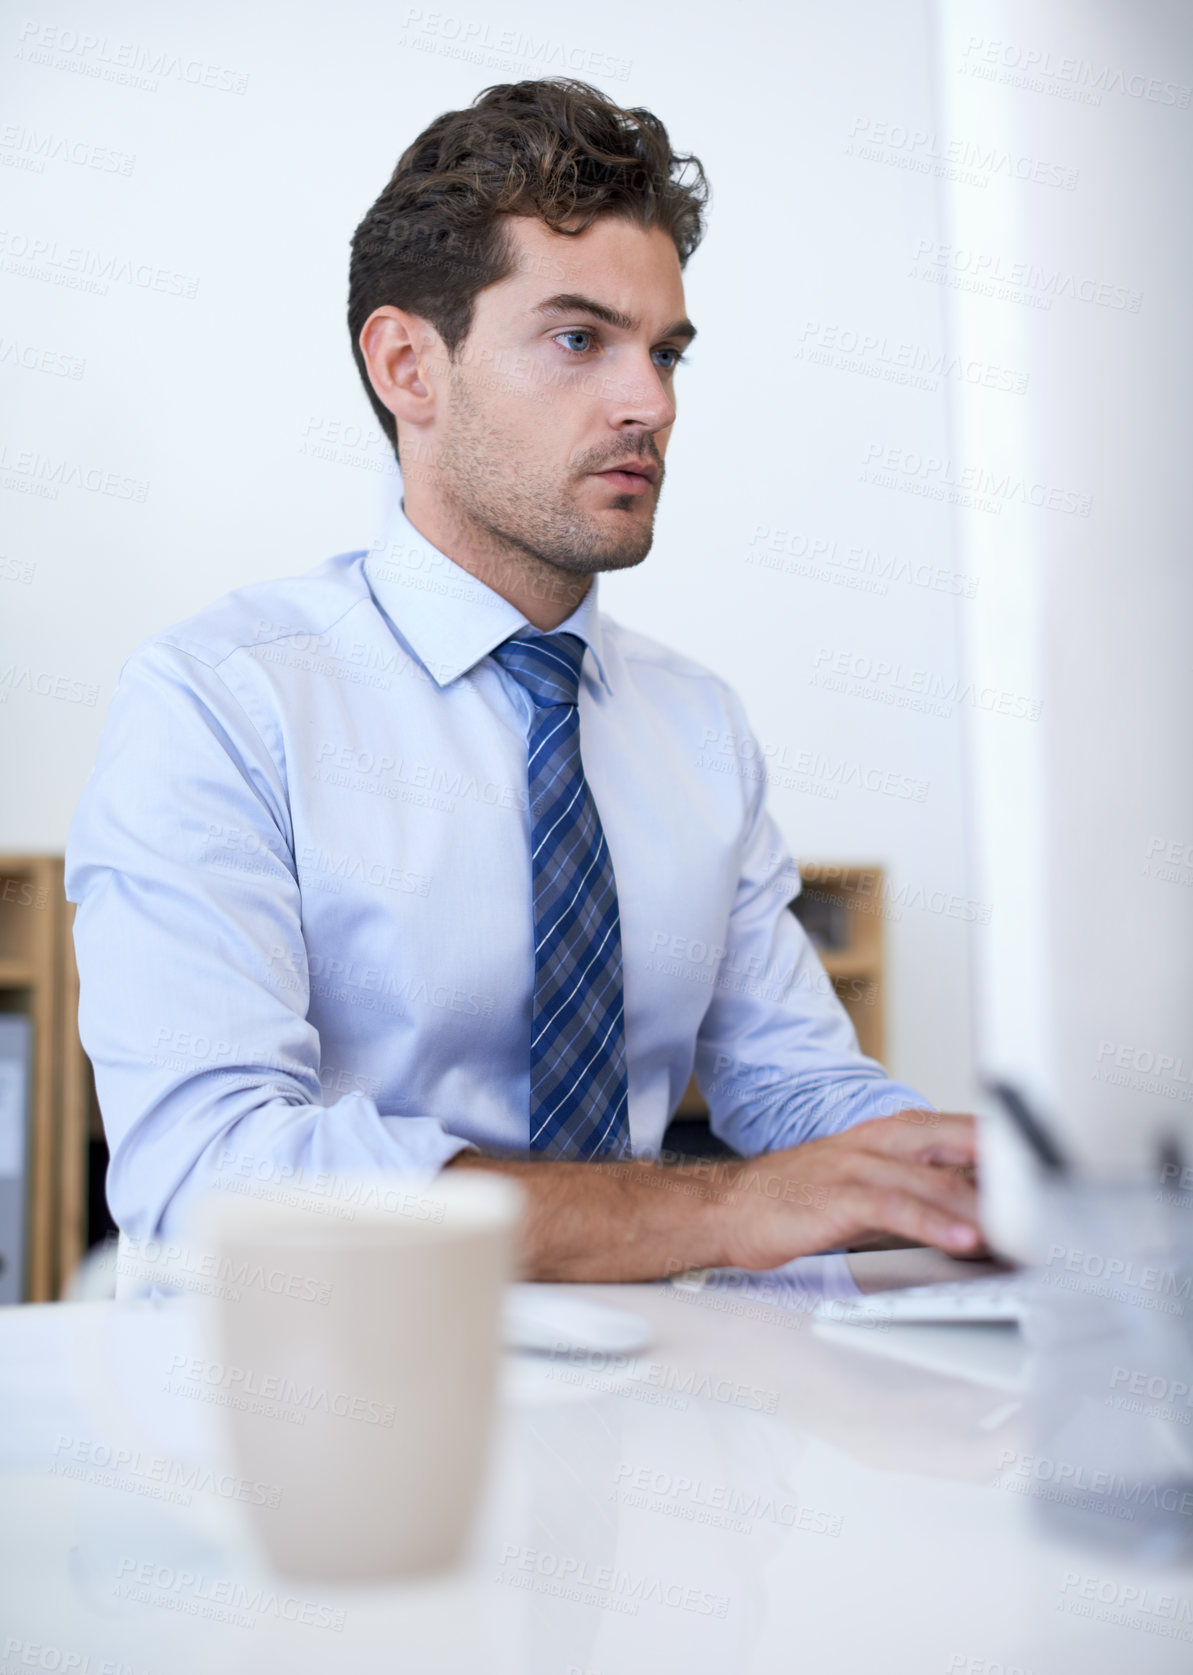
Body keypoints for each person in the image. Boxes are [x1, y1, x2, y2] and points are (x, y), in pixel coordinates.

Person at [65, 77, 983, 1283]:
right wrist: (717, 1214)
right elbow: (212, 1176)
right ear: (408, 367)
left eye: (664, 353)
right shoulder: (220, 703)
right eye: (577, 339)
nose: (647, 402)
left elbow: (795, 1088)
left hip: (665, 1409)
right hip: (341, 1411)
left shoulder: (693, 724)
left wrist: (981, 1182)